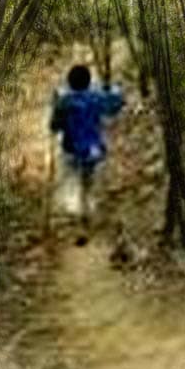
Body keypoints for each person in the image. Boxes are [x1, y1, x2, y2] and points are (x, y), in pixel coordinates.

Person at [50, 64, 123, 242]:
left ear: (69, 82)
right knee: (89, 185)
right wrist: (114, 88)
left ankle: (79, 224)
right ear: (89, 81)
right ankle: (88, 218)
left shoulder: (64, 102)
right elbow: (116, 104)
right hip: (94, 150)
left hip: (71, 150)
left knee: (74, 186)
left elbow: (54, 126)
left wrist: (56, 106)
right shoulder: (96, 97)